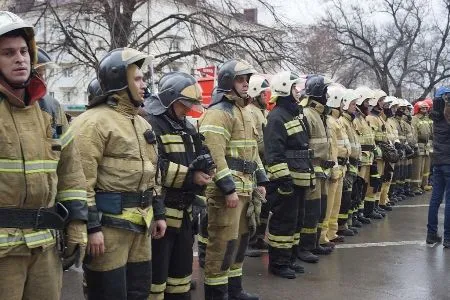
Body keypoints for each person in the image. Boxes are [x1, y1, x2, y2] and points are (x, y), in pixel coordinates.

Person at [0, 11, 88, 300]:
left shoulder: (50, 109)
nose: (20, 58)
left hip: (45, 248)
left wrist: (76, 224)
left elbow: (71, 173)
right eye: (8, 53)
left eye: (24, 51)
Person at [72, 47, 167, 300]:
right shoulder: (92, 122)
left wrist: (158, 213)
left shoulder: (142, 123)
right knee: (108, 293)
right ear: (118, 81)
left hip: (141, 227)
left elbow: (152, 174)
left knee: (139, 292)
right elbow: (80, 182)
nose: (144, 84)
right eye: (137, 78)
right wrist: (92, 227)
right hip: (108, 230)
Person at [199, 59, 268, 300]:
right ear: (228, 81)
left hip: (246, 188)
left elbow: (252, 152)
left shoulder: (246, 112)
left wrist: (261, 180)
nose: (246, 83)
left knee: (239, 242)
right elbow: (214, 155)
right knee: (222, 244)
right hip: (227, 193)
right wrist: (227, 189)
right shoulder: (218, 113)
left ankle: (234, 290)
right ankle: (217, 294)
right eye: (240, 79)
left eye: (247, 79)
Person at [142, 71, 214, 299]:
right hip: (161, 215)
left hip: (185, 215)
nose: (187, 110)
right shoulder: (151, 124)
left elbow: (201, 155)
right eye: (184, 105)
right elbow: (153, 167)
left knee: (180, 280)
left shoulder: (188, 128)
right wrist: (190, 177)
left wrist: (206, 166)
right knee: (156, 281)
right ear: (170, 101)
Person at [264, 71, 314, 279]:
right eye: (295, 88)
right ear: (285, 89)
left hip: (299, 178)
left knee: (295, 222)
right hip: (286, 181)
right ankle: (278, 263)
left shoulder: (294, 113)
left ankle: (290, 259)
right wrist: (283, 180)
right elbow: (274, 153)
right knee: (283, 223)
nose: (298, 91)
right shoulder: (277, 117)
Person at [299, 75, 334, 263]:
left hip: (322, 171)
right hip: (311, 170)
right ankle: (304, 247)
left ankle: (314, 243)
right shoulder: (307, 114)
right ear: (318, 93)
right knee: (310, 211)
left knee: (320, 210)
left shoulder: (321, 115)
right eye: (325, 91)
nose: (327, 95)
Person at [246, 74, 270, 255]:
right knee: (252, 206)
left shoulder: (264, 113)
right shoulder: (250, 112)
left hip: (266, 165)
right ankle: (249, 241)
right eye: (263, 94)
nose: (266, 97)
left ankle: (259, 237)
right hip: (255, 164)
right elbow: (256, 142)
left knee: (263, 206)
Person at [426, 87, 450, 247]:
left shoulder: (436, 117)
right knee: (449, 201)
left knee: (435, 199)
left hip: (438, 162)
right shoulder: (447, 117)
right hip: (448, 162)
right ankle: (448, 238)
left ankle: (431, 234)